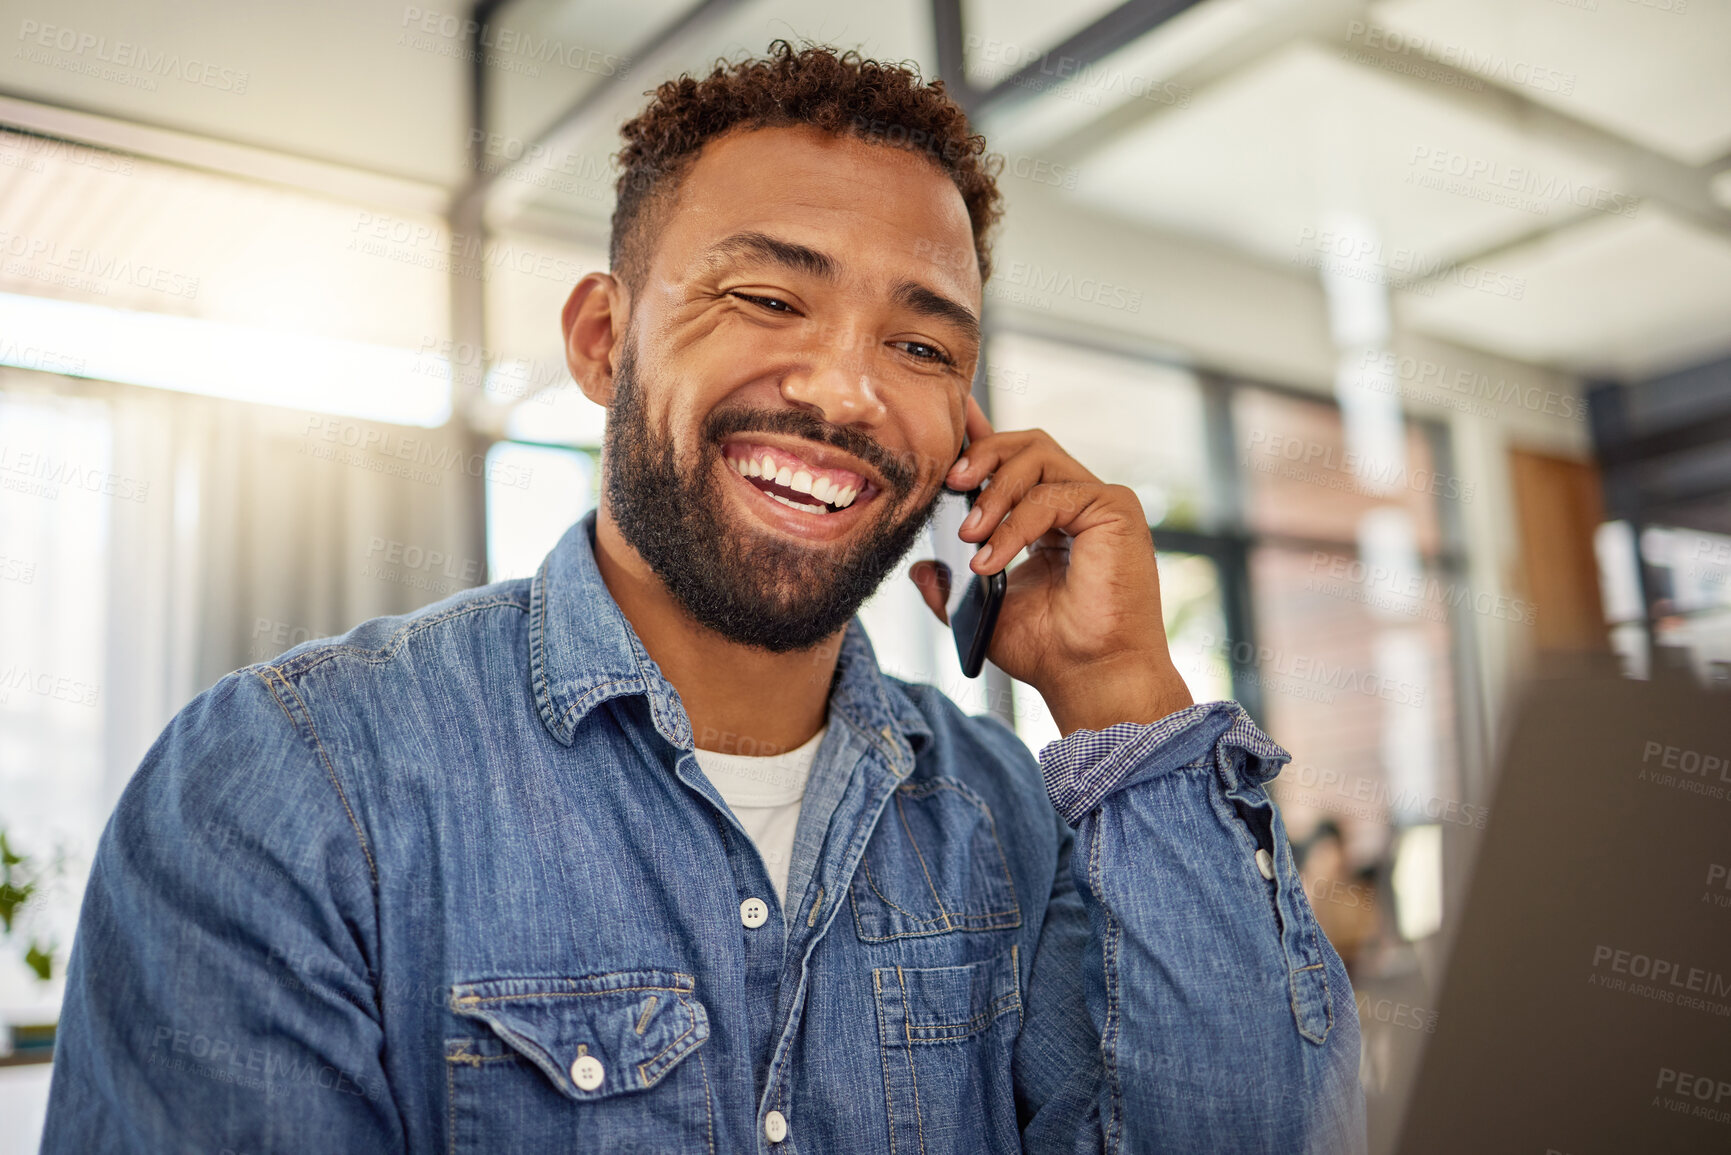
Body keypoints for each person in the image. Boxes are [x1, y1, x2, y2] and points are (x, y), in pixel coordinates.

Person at [42, 42, 1364, 1154]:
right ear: (603, 343)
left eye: (919, 345)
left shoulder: (1013, 819)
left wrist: (1118, 688)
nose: (848, 390)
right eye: (767, 295)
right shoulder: (289, 787)